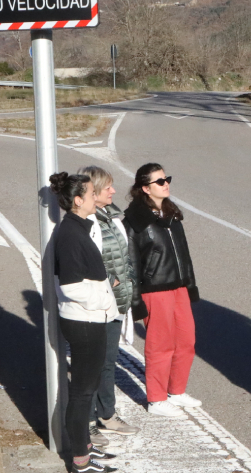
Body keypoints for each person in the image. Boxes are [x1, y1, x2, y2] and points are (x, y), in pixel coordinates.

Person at [49, 172, 121, 473]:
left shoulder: (78, 227)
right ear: (78, 200)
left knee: (86, 389)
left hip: (89, 319)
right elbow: (71, 287)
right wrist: (102, 300)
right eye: (92, 193)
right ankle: (80, 460)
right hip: (85, 322)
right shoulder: (70, 234)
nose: (96, 197)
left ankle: (86, 449)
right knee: (81, 393)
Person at [124, 163, 200, 418]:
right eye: (159, 181)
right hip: (154, 290)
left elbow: (184, 254)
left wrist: (190, 284)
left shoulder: (171, 214)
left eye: (166, 179)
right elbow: (131, 263)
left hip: (178, 287)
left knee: (186, 341)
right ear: (145, 188)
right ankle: (156, 399)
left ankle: (176, 391)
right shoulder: (135, 220)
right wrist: (136, 300)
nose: (165, 184)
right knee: (160, 346)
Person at [78, 166, 145, 447]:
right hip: (97, 304)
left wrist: (127, 284)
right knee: (91, 365)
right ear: (92, 191)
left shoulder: (110, 216)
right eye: (108, 187)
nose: (113, 191)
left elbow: (123, 255)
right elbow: (85, 259)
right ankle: (88, 422)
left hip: (116, 301)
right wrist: (112, 280)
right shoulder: (85, 221)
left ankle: (106, 414)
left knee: (107, 362)